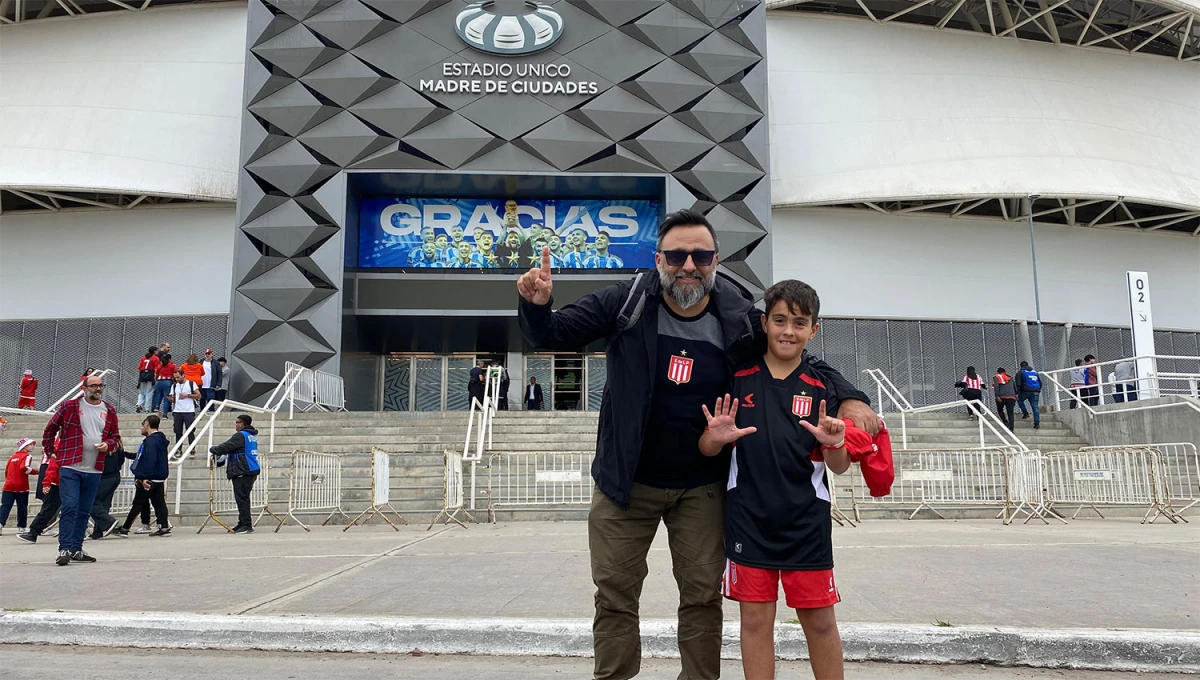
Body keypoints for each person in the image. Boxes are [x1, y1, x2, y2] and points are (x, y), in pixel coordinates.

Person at [517, 208, 879, 679]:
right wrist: (537, 304)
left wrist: (850, 397)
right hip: (625, 483)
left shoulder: (736, 315)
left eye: (701, 255)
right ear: (659, 259)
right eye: (677, 255)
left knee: (702, 595)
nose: (689, 265)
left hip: (703, 487)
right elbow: (552, 333)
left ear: (715, 259)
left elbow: (793, 352)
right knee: (615, 593)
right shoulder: (627, 301)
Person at [699, 279, 850, 680]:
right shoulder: (738, 378)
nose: (788, 330)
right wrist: (712, 439)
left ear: (813, 330)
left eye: (799, 323)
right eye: (780, 320)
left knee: (819, 623)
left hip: (806, 524)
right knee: (754, 622)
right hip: (749, 520)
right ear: (764, 322)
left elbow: (839, 465)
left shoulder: (823, 386)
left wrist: (836, 443)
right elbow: (707, 448)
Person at [41, 373, 121, 565]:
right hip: (70, 465)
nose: (98, 389)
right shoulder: (70, 407)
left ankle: (77, 548)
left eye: (100, 385)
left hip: (94, 468)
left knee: (84, 510)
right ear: (83, 388)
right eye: (93, 386)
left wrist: (108, 445)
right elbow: (51, 428)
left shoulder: (109, 409)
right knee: (70, 506)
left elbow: (115, 436)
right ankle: (64, 549)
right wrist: (50, 450)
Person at [114, 415, 170, 537]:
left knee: (138, 502)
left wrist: (144, 477)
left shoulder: (151, 441)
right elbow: (143, 456)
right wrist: (126, 454)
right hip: (158, 477)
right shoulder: (159, 440)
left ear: (147, 425)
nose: (141, 428)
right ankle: (163, 526)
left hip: (150, 477)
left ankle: (125, 528)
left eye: (142, 425)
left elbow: (149, 460)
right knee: (158, 502)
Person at [208, 414, 262, 534]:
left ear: (242, 424)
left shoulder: (240, 435)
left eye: (237, 422)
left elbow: (226, 446)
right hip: (250, 469)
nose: (235, 424)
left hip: (243, 469)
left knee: (242, 498)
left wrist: (213, 449)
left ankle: (246, 525)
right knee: (243, 498)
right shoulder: (251, 435)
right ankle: (242, 522)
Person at [87, 442, 132, 540]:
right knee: (104, 503)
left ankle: (110, 522)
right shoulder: (118, 445)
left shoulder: (101, 444)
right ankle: (98, 532)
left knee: (90, 502)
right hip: (115, 476)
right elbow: (121, 460)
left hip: (104, 476)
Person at [17, 452, 60, 544]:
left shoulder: (59, 444)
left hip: (59, 482)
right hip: (66, 480)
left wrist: (47, 482)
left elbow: (53, 465)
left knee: (49, 508)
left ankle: (33, 532)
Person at [2, 438, 37, 536]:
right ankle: (21, 527)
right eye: (31, 444)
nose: (33, 446)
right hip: (21, 486)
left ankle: (0, 524)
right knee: (22, 507)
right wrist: (37, 472)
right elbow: (24, 468)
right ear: (25, 446)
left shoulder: (11, 457)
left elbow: (7, 471)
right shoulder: (27, 456)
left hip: (8, 486)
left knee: (5, 506)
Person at [168, 369, 201, 449]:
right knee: (177, 431)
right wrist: (171, 398)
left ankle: (192, 448)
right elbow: (172, 397)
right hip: (177, 411)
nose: (177, 379)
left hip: (188, 411)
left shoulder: (191, 383)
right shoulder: (174, 385)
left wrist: (188, 395)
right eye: (175, 378)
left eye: (178, 377)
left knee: (190, 431)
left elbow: (198, 396)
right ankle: (178, 449)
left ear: (183, 375)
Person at [1015, 360, 1042, 429]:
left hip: (1025, 391)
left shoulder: (1020, 372)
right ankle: (1037, 423)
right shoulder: (1035, 372)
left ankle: (1025, 413)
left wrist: (1016, 393)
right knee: (1035, 407)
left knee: (1020, 400)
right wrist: (1038, 390)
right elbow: (1040, 383)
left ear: (1021, 366)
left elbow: (1018, 384)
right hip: (1036, 391)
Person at [136, 347, 160, 414]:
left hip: (142, 375)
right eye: (157, 350)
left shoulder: (143, 357)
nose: (157, 352)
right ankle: (147, 408)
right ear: (154, 351)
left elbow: (139, 367)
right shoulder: (156, 358)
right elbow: (156, 369)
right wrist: (155, 377)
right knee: (149, 392)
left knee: (141, 392)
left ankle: (139, 404)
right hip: (150, 374)